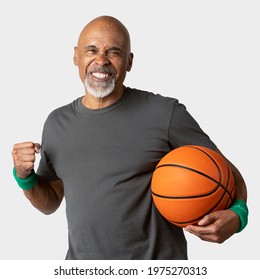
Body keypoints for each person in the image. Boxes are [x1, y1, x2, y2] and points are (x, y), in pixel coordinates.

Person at [12, 15, 248, 260]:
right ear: (75, 56)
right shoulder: (56, 123)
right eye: (91, 50)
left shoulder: (164, 113)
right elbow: (50, 201)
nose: (101, 60)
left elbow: (228, 173)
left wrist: (239, 214)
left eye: (113, 52)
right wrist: (25, 178)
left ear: (129, 61)